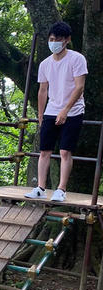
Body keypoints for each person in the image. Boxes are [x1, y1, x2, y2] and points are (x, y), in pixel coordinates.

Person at [24, 21, 88, 202]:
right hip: (51, 109)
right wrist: (41, 113)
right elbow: (42, 90)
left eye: (58, 40)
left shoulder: (77, 59)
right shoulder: (45, 64)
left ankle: (61, 189)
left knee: (65, 152)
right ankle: (40, 187)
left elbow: (79, 87)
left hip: (73, 110)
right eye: (51, 39)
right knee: (44, 151)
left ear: (67, 40)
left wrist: (65, 110)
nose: (54, 43)